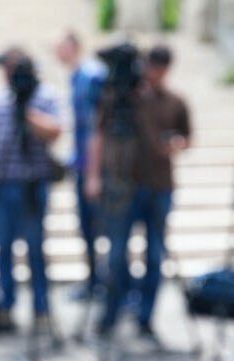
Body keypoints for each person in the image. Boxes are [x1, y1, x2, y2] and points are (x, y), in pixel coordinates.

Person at [86, 44, 191, 340]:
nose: (153, 73)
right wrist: (93, 175)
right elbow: (99, 134)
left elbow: (187, 137)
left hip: (159, 186)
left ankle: (145, 318)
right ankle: (111, 312)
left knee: (156, 255)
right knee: (116, 253)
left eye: (159, 68)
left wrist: (174, 144)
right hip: (124, 184)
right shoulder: (120, 99)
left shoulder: (175, 101)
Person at [0, 47, 62, 328]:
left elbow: (55, 131)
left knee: (35, 247)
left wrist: (27, 112)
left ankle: (41, 308)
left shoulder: (45, 95)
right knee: (3, 247)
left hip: (34, 184)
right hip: (4, 183)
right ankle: (5, 305)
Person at [55, 31, 107, 298]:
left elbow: (96, 126)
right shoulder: (76, 76)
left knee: (102, 228)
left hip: (95, 166)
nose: (56, 52)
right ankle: (94, 280)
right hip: (82, 164)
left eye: (59, 46)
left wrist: (92, 170)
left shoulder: (92, 75)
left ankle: (107, 283)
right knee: (86, 228)